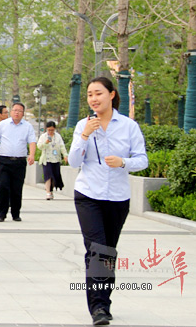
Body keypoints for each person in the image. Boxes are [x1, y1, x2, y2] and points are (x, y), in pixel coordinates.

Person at [68, 76, 147, 325]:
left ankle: (104, 302)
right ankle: (98, 307)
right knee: (97, 249)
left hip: (118, 198)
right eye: (90, 94)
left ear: (111, 95)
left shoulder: (128, 126)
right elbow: (72, 162)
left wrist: (124, 162)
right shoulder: (84, 125)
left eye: (98, 93)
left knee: (108, 252)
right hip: (88, 195)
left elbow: (143, 159)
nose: (93, 98)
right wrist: (84, 137)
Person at [0, 102, 36, 222]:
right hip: (3, 161)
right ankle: (2, 213)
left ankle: (15, 213)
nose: (17, 112)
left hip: (19, 162)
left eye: (19, 111)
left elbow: (32, 141)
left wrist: (31, 155)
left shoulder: (27, 126)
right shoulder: (3, 125)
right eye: (15, 110)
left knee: (17, 188)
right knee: (2, 186)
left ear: (23, 113)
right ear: (11, 112)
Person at [37, 121, 68, 200]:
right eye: (49, 130)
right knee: (48, 176)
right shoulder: (43, 136)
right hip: (46, 160)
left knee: (54, 176)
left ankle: (51, 191)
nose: (51, 131)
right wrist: (46, 142)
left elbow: (62, 146)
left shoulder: (58, 136)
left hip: (56, 159)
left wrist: (65, 155)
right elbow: (39, 146)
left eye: (52, 130)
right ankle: (47, 192)